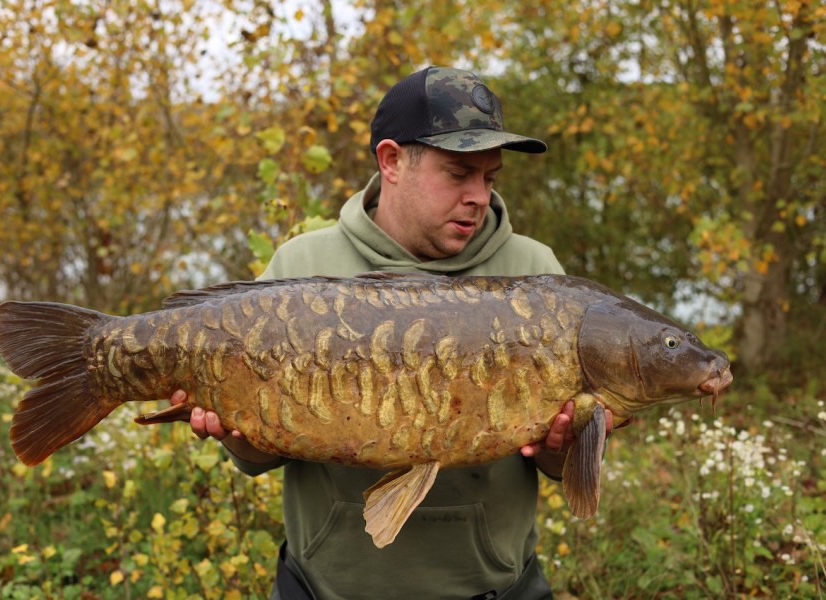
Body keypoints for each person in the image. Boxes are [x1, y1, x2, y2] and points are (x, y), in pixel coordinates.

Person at [170, 66, 615, 599]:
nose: (478, 195)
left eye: (490, 178)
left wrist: (564, 445)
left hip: (497, 587)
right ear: (391, 161)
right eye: (458, 173)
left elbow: (553, 462)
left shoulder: (534, 276)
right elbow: (258, 459)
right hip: (325, 590)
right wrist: (237, 432)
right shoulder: (303, 265)